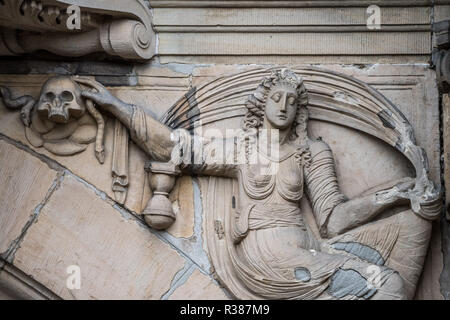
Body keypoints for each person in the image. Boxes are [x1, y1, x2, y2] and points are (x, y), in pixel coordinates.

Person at [75, 69, 432, 300]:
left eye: (292, 100)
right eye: (277, 97)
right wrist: (116, 107)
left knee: (416, 220)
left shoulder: (312, 152)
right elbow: (174, 146)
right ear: (261, 104)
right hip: (267, 256)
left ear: (300, 110)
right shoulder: (243, 150)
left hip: (308, 250)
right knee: (388, 285)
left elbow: (333, 219)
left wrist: (395, 194)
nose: (284, 105)